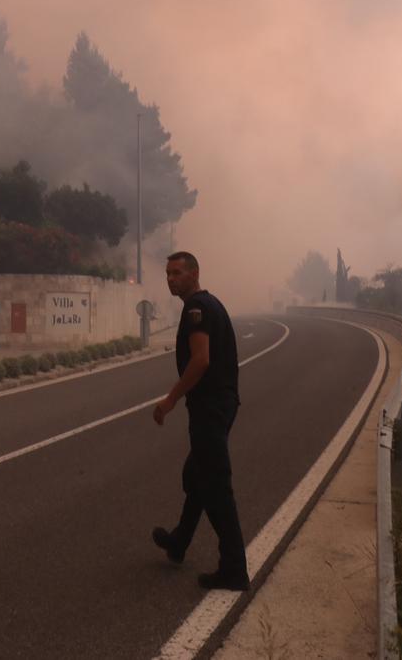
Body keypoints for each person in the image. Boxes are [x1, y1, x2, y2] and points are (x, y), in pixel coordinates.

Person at [150, 251, 249, 591]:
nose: (170, 278)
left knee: (216, 486)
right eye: (167, 273)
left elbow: (201, 360)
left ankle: (234, 568)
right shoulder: (210, 305)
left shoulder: (197, 310)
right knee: (197, 476)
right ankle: (179, 542)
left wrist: (170, 399)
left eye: (177, 272)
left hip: (210, 408)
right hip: (220, 405)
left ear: (194, 273)